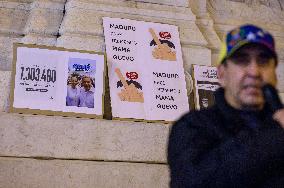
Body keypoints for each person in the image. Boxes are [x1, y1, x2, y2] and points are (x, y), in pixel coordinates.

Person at [168, 24, 284, 187]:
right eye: (242, 60)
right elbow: (194, 181)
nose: (254, 71)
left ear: (275, 74)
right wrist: (274, 133)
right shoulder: (194, 126)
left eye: (263, 61)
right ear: (222, 74)